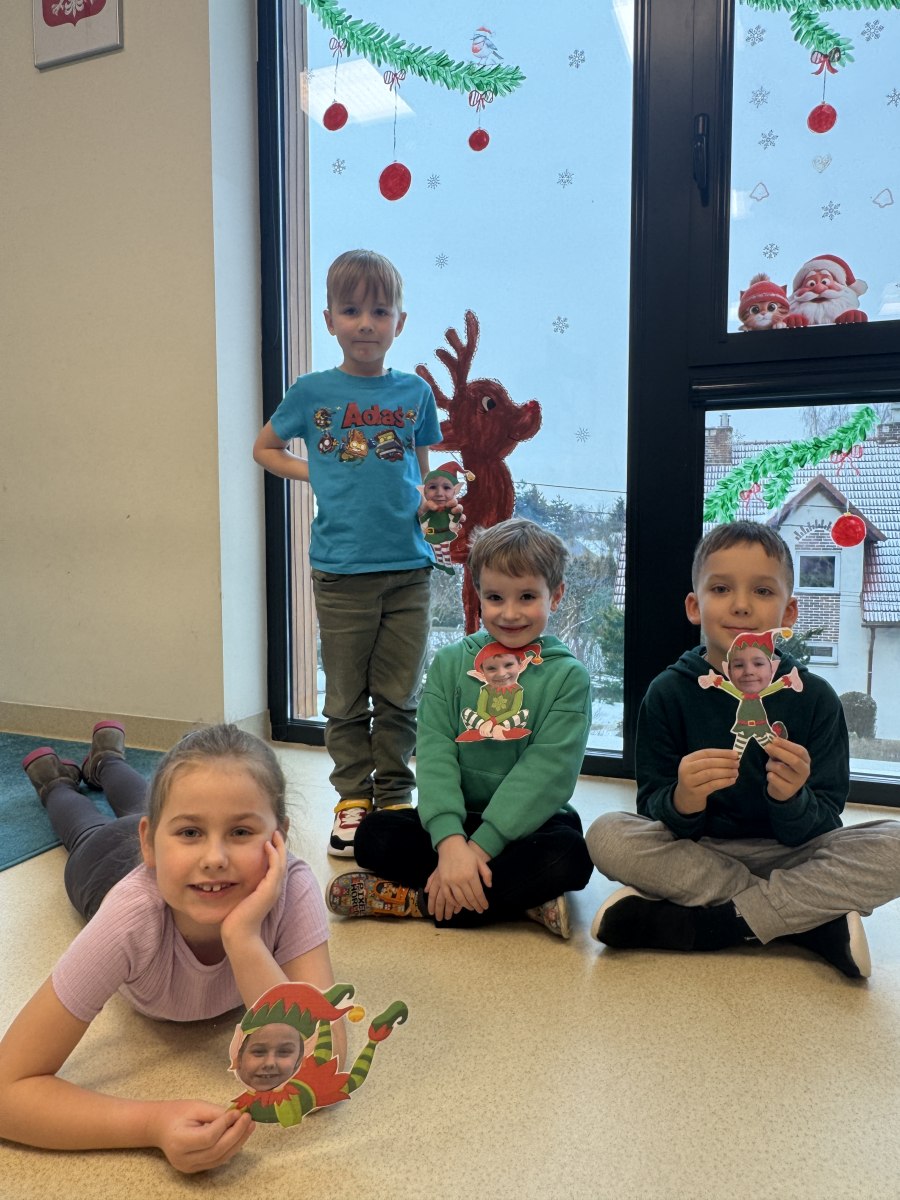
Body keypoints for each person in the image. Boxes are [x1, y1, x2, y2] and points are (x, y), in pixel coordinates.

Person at [0, 722, 341, 1173]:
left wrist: (242, 939)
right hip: (101, 864)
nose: (215, 858)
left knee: (161, 801)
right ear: (149, 844)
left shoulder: (291, 888)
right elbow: (6, 1090)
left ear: (279, 838)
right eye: (191, 833)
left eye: (241, 831)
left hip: (168, 857)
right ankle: (57, 784)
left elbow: (327, 1065)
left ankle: (107, 761)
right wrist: (150, 1125)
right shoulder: (130, 916)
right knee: (86, 828)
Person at [587, 520, 900, 978]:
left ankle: (719, 924)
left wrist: (792, 799)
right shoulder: (668, 693)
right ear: (694, 606)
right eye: (720, 588)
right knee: (606, 834)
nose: (740, 604)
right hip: (699, 853)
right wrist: (684, 799)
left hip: (792, 855)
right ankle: (803, 921)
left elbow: (825, 822)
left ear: (788, 613)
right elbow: (653, 811)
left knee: (896, 845)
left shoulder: (815, 699)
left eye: (762, 591)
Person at [252, 249, 448, 859]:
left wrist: (433, 505)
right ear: (330, 319)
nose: (366, 323)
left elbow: (420, 472)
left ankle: (395, 797)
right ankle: (353, 800)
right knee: (344, 698)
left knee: (400, 694)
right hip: (341, 572)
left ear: (399, 322)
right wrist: (316, 472)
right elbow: (265, 448)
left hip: (410, 569)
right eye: (352, 310)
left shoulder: (415, 393)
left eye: (380, 311)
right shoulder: (312, 391)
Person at [326, 518, 594, 938]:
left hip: (530, 825)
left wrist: (481, 847)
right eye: (495, 597)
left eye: (527, 597)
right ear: (478, 594)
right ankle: (519, 900)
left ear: (555, 596)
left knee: (571, 856)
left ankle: (416, 900)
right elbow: (436, 754)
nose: (510, 613)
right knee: (373, 836)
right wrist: (451, 843)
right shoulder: (451, 664)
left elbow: (547, 774)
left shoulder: (569, 677)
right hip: (453, 820)